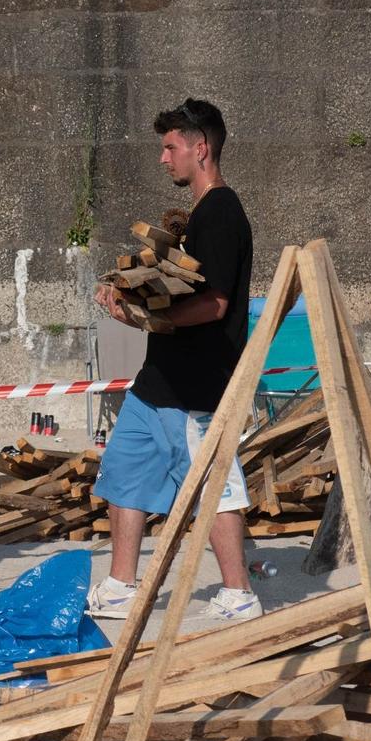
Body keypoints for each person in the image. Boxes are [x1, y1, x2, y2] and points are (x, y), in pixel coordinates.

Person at [87, 98, 262, 624]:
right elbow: (181, 288)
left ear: (200, 148)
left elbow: (215, 304)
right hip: (157, 381)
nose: (163, 159)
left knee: (213, 484)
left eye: (170, 148)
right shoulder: (199, 215)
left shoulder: (222, 213)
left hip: (197, 384)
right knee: (122, 472)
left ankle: (239, 592)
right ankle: (121, 585)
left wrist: (143, 318)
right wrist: (132, 297)